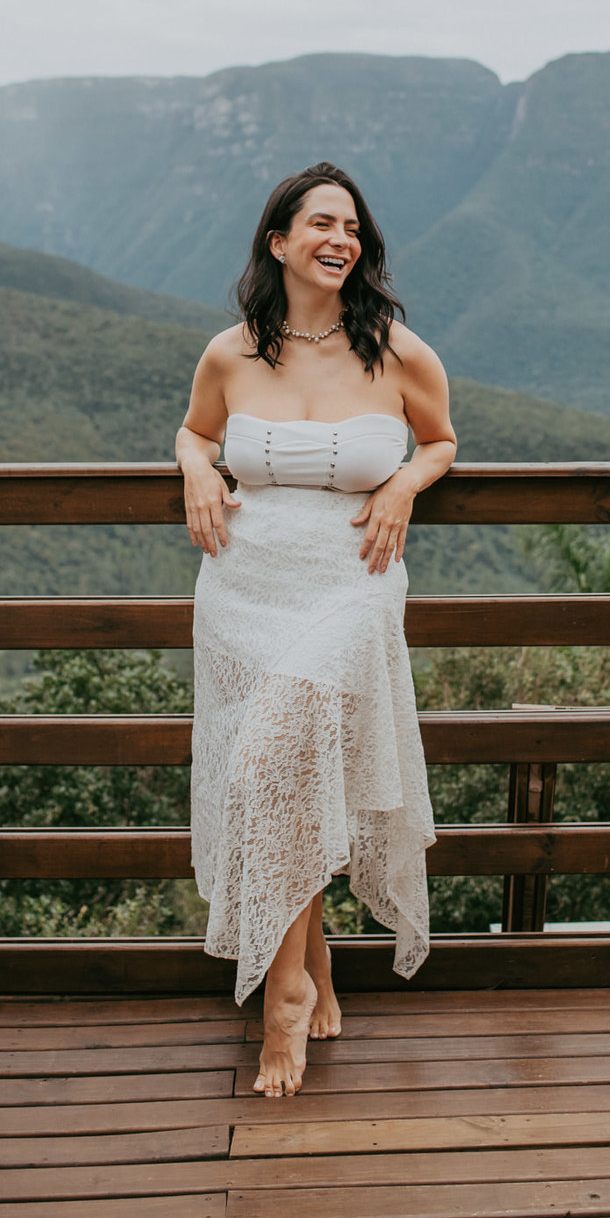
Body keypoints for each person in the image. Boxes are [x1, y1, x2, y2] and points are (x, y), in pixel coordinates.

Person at [176, 161, 456, 1098]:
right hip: (243, 588)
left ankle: (283, 994)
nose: (342, 240)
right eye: (323, 224)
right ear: (280, 241)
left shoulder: (399, 353)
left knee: (272, 760)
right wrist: (196, 468)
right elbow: (196, 431)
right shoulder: (229, 354)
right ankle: (315, 959)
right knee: (281, 771)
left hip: (351, 584)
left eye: (353, 228)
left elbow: (442, 440)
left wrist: (406, 481)